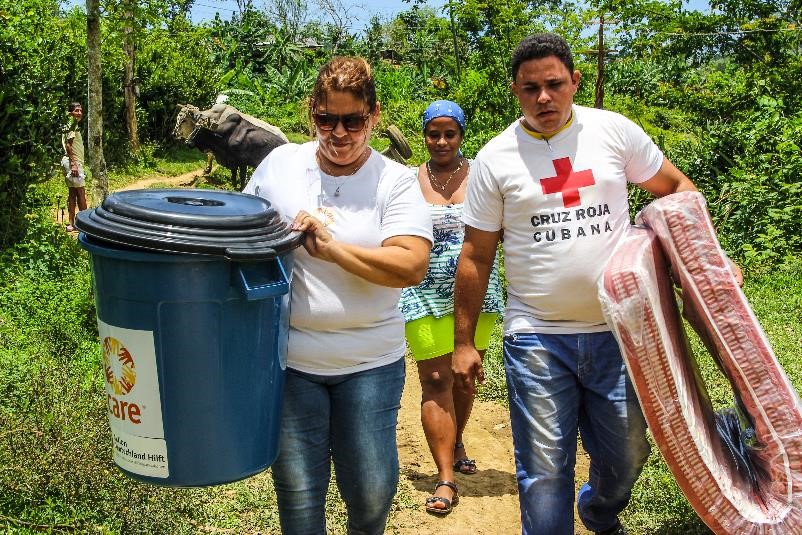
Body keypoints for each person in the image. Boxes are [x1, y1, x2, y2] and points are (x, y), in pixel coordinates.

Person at [452, 33, 720, 535]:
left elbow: (678, 189)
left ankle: (598, 508)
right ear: (515, 91)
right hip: (536, 334)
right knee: (544, 470)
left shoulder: (613, 133)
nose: (543, 98)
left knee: (628, 451)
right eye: (530, 88)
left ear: (575, 82)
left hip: (620, 332)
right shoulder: (495, 158)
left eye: (554, 84)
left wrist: (705, 263)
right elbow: (475, 253)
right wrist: (464, 341)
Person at [242, 56, 433, 535]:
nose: (339, 133)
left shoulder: (396, 181)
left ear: (374, 115)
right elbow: (240, 228)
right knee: (299, 493)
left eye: (353, 120)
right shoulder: (280, 165)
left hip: (369, 362)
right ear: (313, 115)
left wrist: (333, 251)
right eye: (327, 119)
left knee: (372, 487)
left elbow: (411, 263)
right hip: (291, 361)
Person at [399, 100, 504, 515]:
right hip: (421, 292)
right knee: (436, 377)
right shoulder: (406, 180)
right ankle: (446, 477)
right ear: (423, 135)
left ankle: (457, 438)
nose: (441, 141)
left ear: (461, 134)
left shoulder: (482, 175)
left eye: (450, 133)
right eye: (433, 133)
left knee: (463, 377)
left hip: (478, 293)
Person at [61, 101, 87, 232]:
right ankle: (86, 224)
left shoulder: (70, 125)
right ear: (70, 113)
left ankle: (72, 224)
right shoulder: (72, 125)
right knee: (81, 193)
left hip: (71, 162)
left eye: (81, 110)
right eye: (76, 110)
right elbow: (68, 145)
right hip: (73, 163)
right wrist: (74, 164)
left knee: (72, 193)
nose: (79, 113)